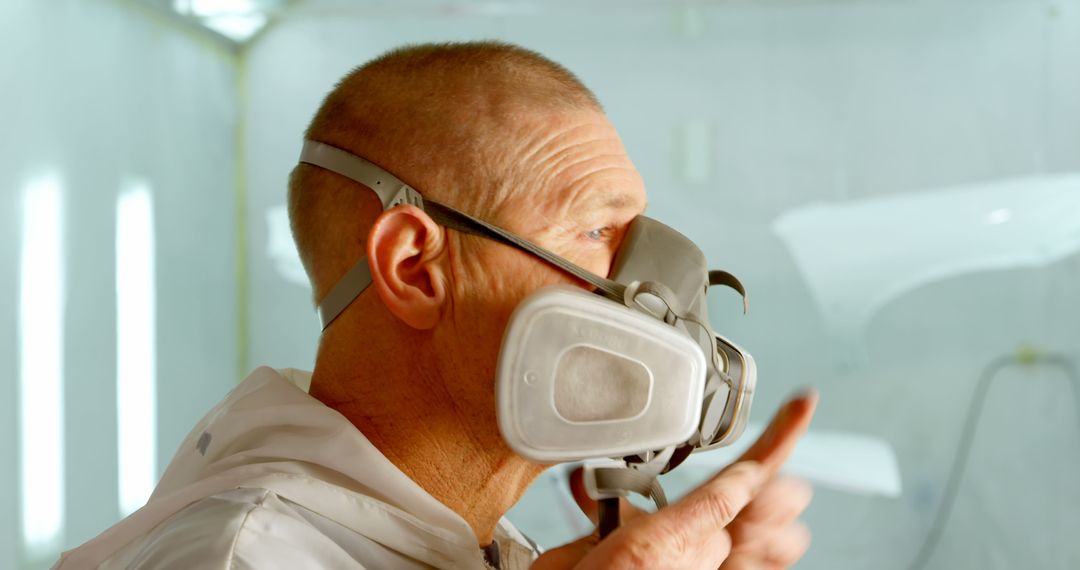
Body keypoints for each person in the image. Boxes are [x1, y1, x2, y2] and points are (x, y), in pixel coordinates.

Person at [56, 41, 817, 569]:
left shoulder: (465, 545)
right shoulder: (243, 558)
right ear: (416, 268)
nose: (656, 284)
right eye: (595, 230)